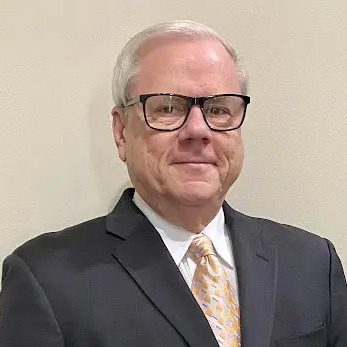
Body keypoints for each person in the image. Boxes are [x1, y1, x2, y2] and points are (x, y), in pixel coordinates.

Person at [0, 20, 346, 347]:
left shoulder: (312, 262)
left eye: (219, 109)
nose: (198, 130)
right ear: (121, 132)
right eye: (167, 107)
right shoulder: (46, 279)